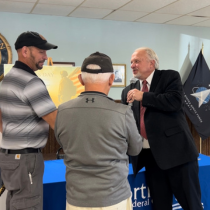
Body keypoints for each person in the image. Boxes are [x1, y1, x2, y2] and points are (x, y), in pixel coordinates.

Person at [54, 52, 142, 210]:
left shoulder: (62, 111)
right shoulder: (122, 112)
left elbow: (63, 143)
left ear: (80, 79)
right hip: (114, 198)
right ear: (111, 79)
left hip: (77, 199)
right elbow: (135, 149)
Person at [121, 47, 203, 210]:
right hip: (151, 159)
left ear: (152, 63)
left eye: (137, 61)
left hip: (178, 156)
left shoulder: (169, 77)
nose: (132, 65)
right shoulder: (128, 91)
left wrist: (143, 96)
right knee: (160, 206)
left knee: (191, 205)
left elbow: (174, 102)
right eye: (131, 62)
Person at [0, 31, 58, 210]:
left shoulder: (7, 79)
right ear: (25, 51)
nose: (45, 57)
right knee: (28, 205)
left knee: (15, 203)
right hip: (26, 159)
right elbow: (57, 123)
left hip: (9, 156)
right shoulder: (31, 82)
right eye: (41, 52)